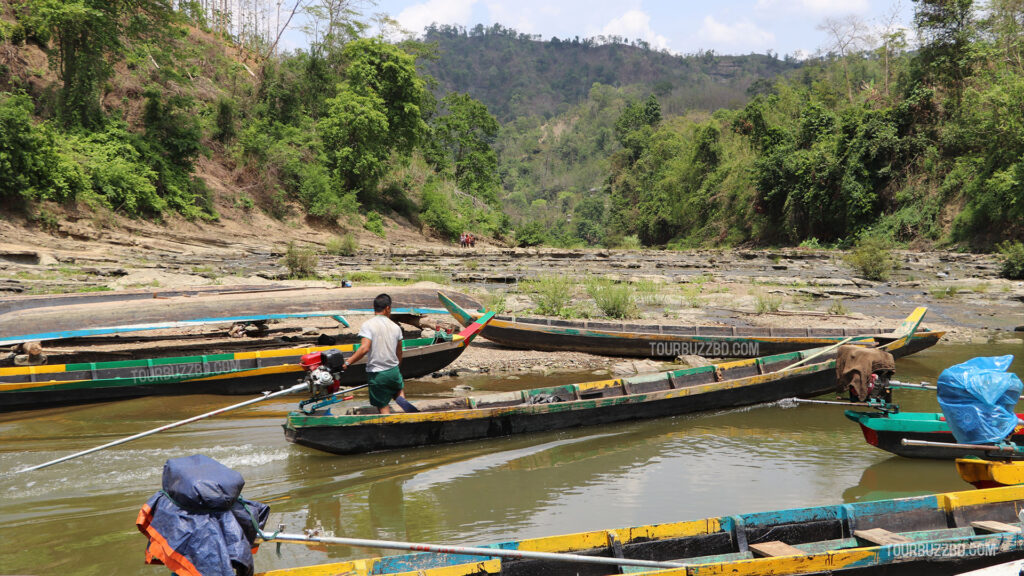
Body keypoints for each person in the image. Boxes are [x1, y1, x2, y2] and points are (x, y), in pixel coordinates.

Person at [343, 293, 406, 413]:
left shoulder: (368, 325)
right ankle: (409, 419)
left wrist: (347, 362)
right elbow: (399, 352)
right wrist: (396, 369)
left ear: (374, 308)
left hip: (377, 374)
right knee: (399, 395)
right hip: (393, 371)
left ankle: (388, 429)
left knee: (383, 406)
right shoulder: (395, 327)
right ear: (388, 308)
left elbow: (364, 348)